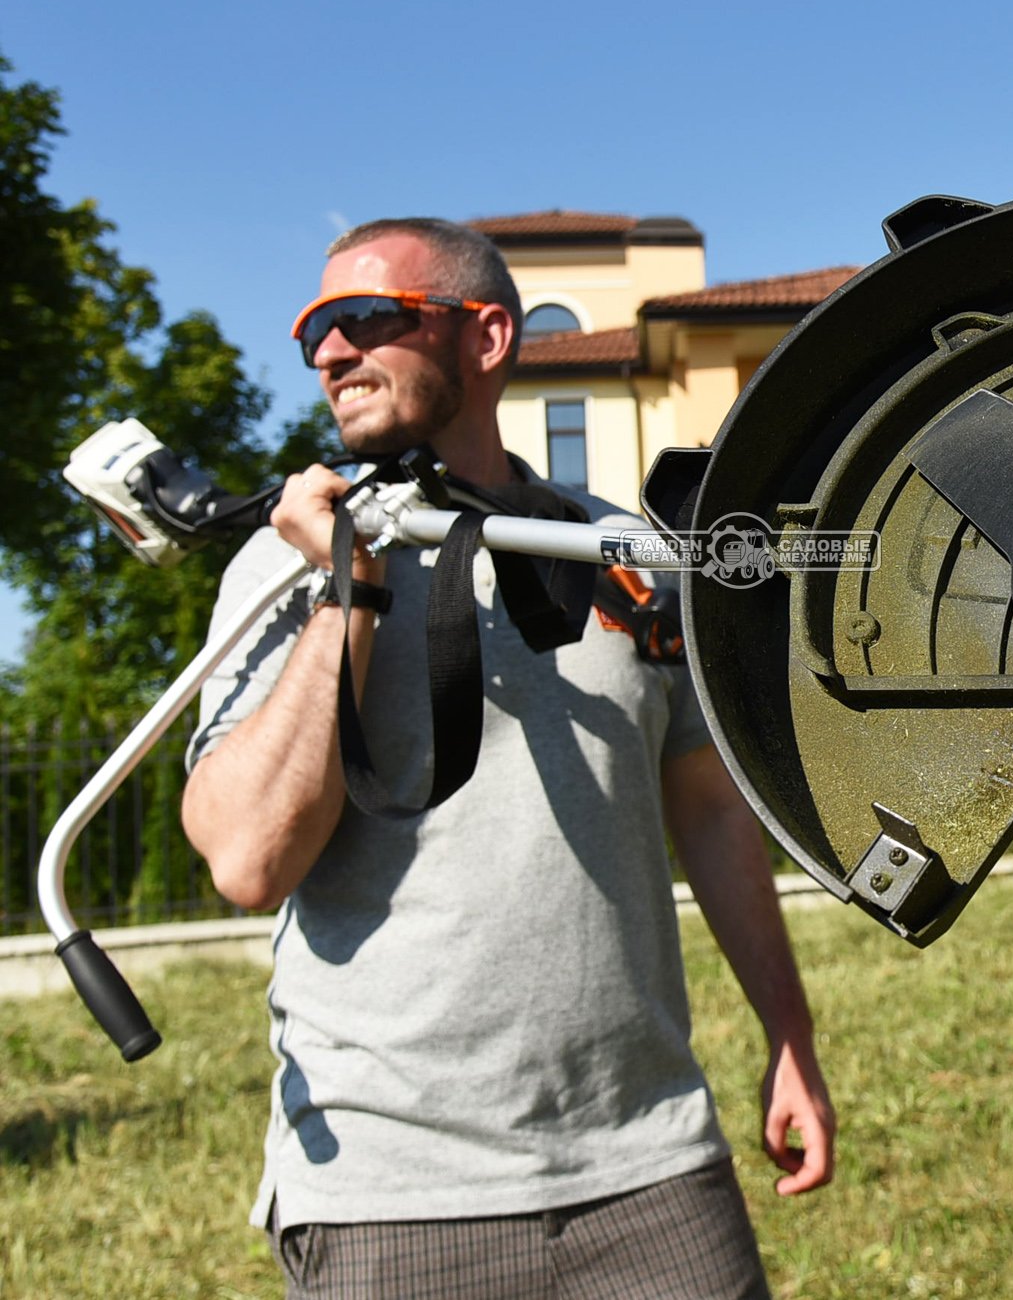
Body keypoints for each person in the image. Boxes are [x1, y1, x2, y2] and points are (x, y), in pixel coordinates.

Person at [182, 217, 835, 1300]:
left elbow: (713, 815)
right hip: (393, 1190)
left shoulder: (623, 556)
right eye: (312, 333)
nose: (328, 353)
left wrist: (789, 1036)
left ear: (484, 337)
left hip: (650, 1158)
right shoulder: (282, 561)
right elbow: (249, 859)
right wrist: (349, 586)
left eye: (363, 320)